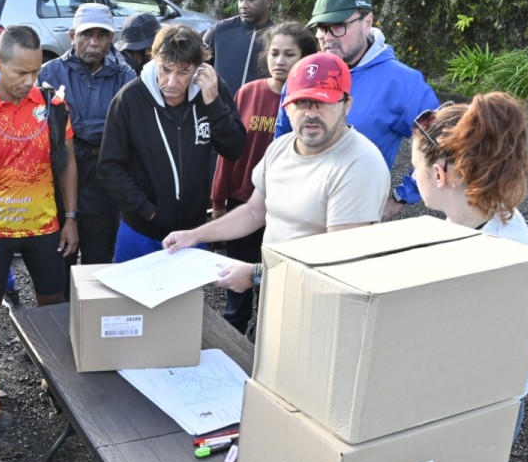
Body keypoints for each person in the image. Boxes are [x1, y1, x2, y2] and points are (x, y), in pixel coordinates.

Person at [163, 52, 389, 292]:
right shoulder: (281, 147)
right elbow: (254, 212)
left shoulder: (360, 163)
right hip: (278, 288)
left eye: (323, 101)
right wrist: (196, 235)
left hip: (321, 300)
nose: (311, 113)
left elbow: (339, 257)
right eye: (302, 102)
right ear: (287, 106)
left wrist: (255, 275)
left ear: (347, 105)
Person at [409, 92, 528, 438]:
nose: (413, 175)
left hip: (476, 417)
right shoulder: (476, 219)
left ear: (439, 174)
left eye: (415, 169)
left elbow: (515, 369)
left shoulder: (503, 257)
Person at [0, 25, 79, 418]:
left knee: (53, 306)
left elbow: (67, 163)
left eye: (36, 72)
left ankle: (55, 379)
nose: (29, 81)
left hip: (44, 226)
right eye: (20, 72)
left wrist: (70, 218)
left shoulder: (51, 105)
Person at [276, 0, 439, 217]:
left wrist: (401, 197)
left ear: (367, 22)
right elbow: (282, 137)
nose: (327, 37)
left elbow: (443, 143)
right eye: (321, 28)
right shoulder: (304, 73)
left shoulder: (403, 82)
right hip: (294, 210)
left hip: (354, 218)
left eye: (338, 27)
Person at [99, 24, 246, 262]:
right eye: (165, 70)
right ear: (154, 59)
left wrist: (213, 103)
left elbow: (234, 148)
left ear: (199, 68)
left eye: (183, 73)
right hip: (140, 231)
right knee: (130, 299)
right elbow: (108, 168)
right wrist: (147, 211)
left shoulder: (212, 89)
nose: (171, 82)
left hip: (192, 232)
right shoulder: (129, 99)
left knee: (186, 299)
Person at [210, 22, 317, 332]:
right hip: (243, 203)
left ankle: (264, 343)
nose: (280, 61)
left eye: (289, 54)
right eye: (274, 53)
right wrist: (218, 200)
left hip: (287, 211)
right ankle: (231, 340)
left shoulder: (307, 104)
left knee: (273, 285)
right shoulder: (249, 93)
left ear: (305, 58)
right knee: (236, 284)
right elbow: (228, 152)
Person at [39, 4, 135, 266]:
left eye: (101, 35)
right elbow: (45, 128)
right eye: (86, 35)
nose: (93, 42)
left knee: (98, 265)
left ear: (111, 39)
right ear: (73, 36)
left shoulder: (125, 75)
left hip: (102, 184)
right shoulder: (49, 73)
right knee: (60, 265)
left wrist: (74, 126)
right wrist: (95, 131)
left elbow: (125, 130)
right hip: (58, 181)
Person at [204, 0, 275, 95]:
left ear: (268, 1)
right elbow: (196, 69)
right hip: (220, 110)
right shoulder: (219, 31)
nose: (243, 5)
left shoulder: (278, 38)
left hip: (258, 112)